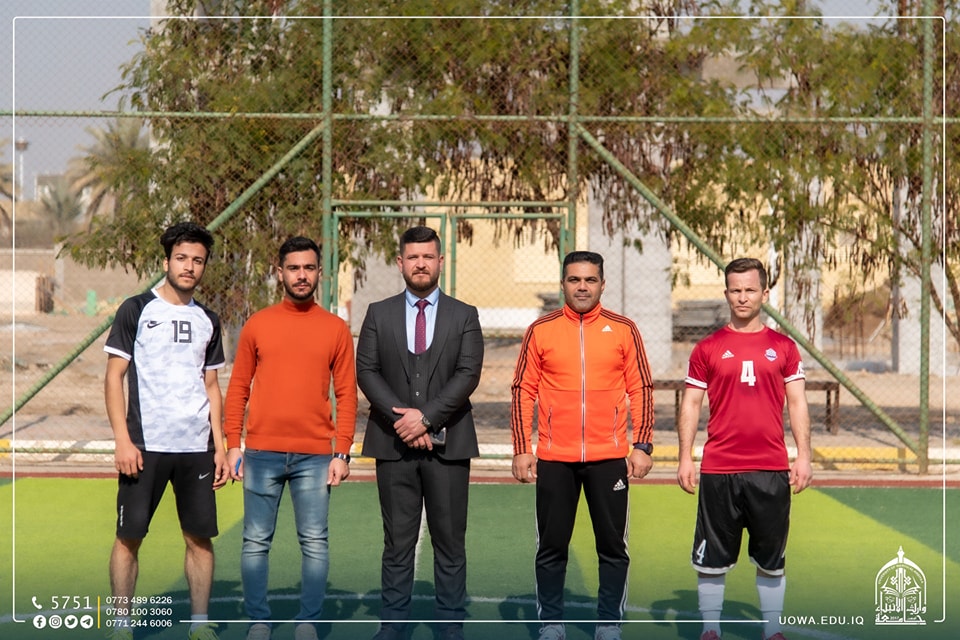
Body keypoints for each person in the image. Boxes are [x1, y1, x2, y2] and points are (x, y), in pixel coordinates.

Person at [511, 250, 655, 640]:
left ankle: (608, 623)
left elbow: (640, 387)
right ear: (563, 284)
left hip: (609, 459)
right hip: (555, 458)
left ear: (602, 284)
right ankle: (551, 623)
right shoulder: (540, 330)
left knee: (612, 547)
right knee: (551, 547)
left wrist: (642, 444)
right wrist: (522, 448)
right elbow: (523, 390)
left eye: (590, 280)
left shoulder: (624, 329)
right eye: (574, 279)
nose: (582, 287)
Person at [224, 236, 358, 640]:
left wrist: (342, 453)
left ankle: (308, 621)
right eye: (294, 268)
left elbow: (347, 394)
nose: (302, 275)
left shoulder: (335, 329)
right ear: (279, 272)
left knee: (315, 542)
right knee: (254, 541)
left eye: (309, 268)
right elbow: (238, 387)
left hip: (315, 458)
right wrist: (233, 444)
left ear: (320, 273)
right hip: (260, 453)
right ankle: (258, 621)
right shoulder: (257, 324)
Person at [356, 225, 484, 640]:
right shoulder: (378, 313)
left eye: (428, 256)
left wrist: (425, 419)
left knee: (450, 543)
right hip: (393, 446)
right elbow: (367, 371)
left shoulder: (465, 315)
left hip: (449, 447)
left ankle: (450, 624)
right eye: (413, 257)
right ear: (400, 263)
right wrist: (404, 423)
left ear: (441, 261)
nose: (421, 264)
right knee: (397, 542)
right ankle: (393, 624)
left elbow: (468, 374)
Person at [676, 257, 813, 640]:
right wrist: (685, 457)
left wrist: (803, 456)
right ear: (726, 293)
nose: (742, 297)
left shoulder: (783, 348)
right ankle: (710, 629)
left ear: (764, 293)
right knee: (712, 557)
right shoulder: (708, 348)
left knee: (771, 558)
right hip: (719, 468)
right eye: (735, 290)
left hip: (770, 468)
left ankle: (772, 630)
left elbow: (798, 403)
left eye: (750, 289)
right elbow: (691, 404)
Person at [104, 221, 227, 640]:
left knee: (199, 539)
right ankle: (121, 626)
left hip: (196, 449)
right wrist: (122, 440)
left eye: (197, 260)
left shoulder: (209, 319)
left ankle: (199, 624)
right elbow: (114, 377)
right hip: (144, 447)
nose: (189, 266)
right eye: (181, 258)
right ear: (166, 262)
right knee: (129, 537)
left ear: (204, 266)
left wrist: (220, 447)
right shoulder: (136, 309)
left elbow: (212, 386)